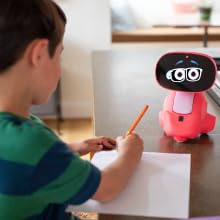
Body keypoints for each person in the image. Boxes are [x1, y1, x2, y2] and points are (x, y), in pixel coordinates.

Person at [0, 0, 144, 219]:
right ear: (38, 54)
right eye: (59, 55)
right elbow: (107, 189)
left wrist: (72, 148)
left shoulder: (18, 138)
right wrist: (130, 153)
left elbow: (15, 164)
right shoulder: (31, 142)